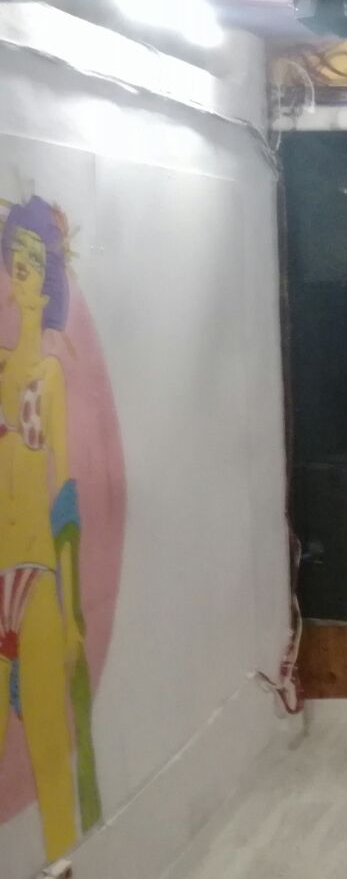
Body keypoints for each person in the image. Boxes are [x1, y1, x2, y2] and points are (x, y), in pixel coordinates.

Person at [0, 196, 97, 859]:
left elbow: (66, 496)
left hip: (36, 579)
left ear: (50, 279)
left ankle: (62, 866)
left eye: (35, 260)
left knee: (48, 750)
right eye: (16, 257)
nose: (22, 269)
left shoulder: (51, 379)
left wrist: (71, 611)